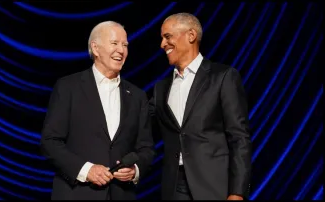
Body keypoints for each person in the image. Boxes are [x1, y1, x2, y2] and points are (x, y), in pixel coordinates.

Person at [41, 21, 155, 200]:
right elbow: (50, 142)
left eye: (125, 45)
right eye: (114, 43)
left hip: (121, 194)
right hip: (77, 193)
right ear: (95, 48)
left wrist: (135, 170)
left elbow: (146, 148)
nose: (121, 50)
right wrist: (86, 170)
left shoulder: (137, 96)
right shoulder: (68, 87)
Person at [149, 13, 252, 200]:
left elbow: (239, 137)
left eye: (168, 36)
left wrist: (237, 192)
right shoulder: (161, 88)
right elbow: (141, 127)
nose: (162, 44)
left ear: (191, 35)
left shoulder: (222, 77)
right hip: (174, 188)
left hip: (214, 186)